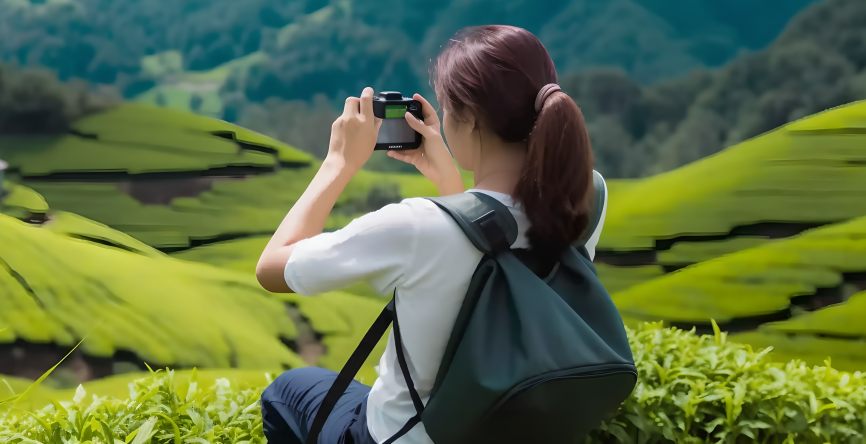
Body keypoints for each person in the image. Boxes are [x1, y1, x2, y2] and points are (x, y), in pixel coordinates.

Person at [255, 24, 607, 444]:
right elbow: (486, 259)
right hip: (515, 424)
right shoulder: (588, 196)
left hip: (409, 438)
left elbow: (272, 268)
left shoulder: (416, 225)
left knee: (287, 392)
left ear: (469, 119)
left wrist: (338, 163)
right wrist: (449, 182)